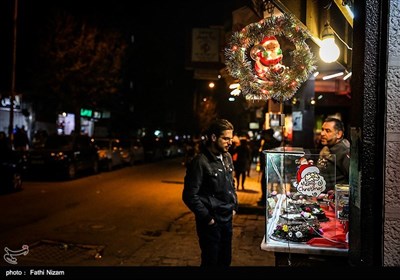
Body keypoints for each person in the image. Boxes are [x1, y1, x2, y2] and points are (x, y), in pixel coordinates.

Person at [182, 119, 238, 267]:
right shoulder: (200, 162)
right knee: (210, 262)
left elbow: (231, 184)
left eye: (231, 138)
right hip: (211, 223)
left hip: (227, 219)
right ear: (213, 138)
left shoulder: (227, 158)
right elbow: (189, 195)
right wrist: (208, 219)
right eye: (226, 138)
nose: (230, 142)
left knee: (225, 261)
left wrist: (234, 206)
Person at [317, 117, 350, 191]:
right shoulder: (327, 149)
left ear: (339, 134)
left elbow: (353, 180)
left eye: (327, 131)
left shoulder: (344, 151)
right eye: (322, 130)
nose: (322, 133)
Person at [258, 128, 281, 205]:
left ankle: (266, 199)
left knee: (266, 183)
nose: (264, 136)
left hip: (270, 166)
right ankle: (265, 198)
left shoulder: (272, 143)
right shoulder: (271, 142)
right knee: (265, 182)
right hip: (268, 166)